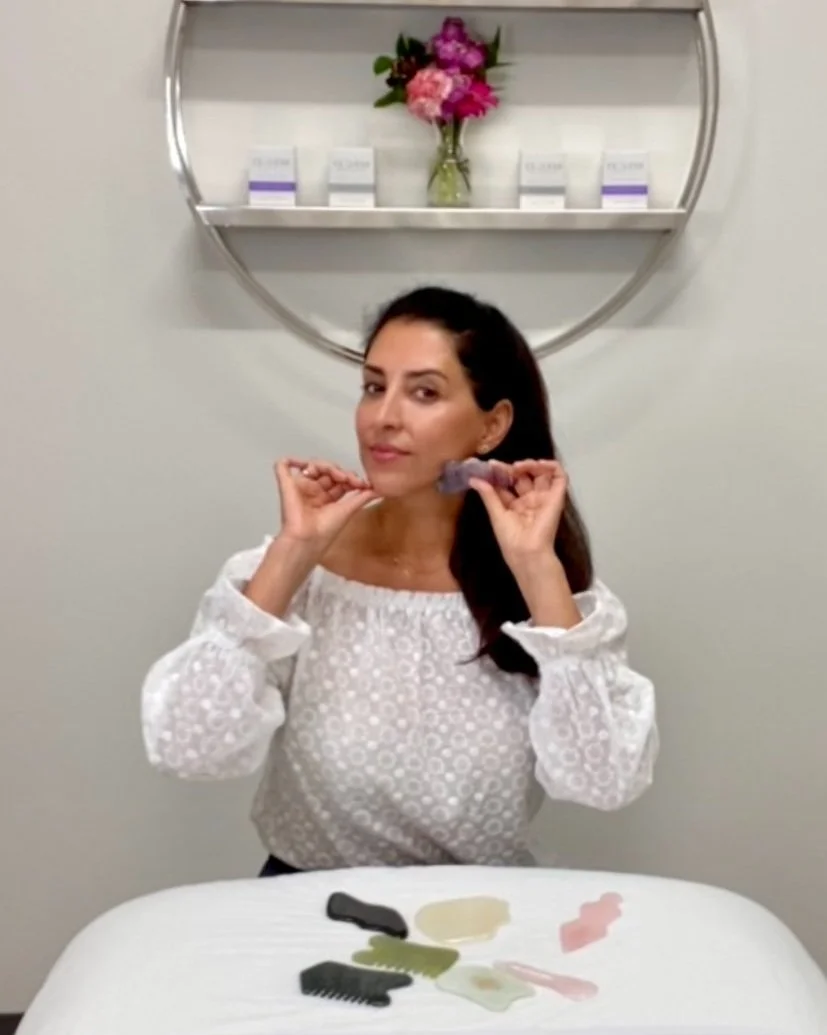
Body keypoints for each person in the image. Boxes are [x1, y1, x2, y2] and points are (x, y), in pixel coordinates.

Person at [141, 286, 658, 876]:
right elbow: (189, 746)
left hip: (485, 918)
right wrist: (292, 554)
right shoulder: (303, 578)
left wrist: (538, 570)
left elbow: (604, 780)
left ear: (492, 427)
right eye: (372, 386)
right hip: (308, 909)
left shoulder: (545, 598)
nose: (384, 418)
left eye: (424, 393)